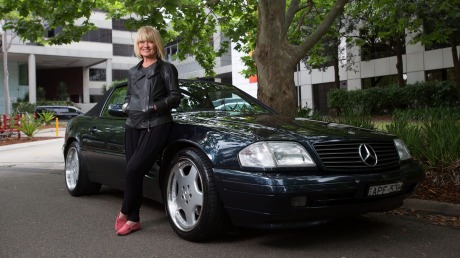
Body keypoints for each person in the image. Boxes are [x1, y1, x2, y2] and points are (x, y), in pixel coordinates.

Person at [115, 26, 182, 236]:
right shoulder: (133, 72)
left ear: (156, 44)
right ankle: (134, 219)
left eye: (150, 41)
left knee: (135, 168)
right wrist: (126, 106)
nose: (145, 46)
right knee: (131, 172)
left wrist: (154, 107)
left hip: (157, 125)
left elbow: (175, 97)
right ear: (137, 45)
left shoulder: (166, 69)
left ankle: (125, 210)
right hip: (132, 125)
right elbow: (128, 96)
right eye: (141, 42)